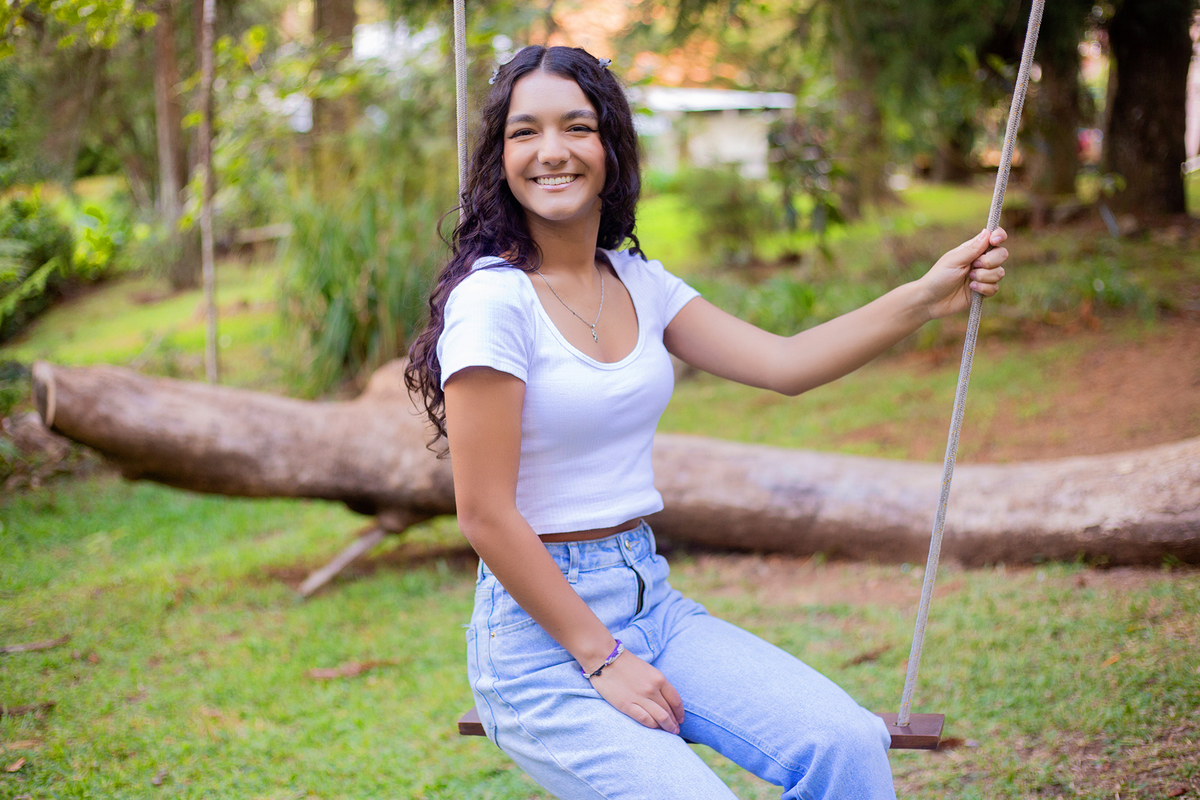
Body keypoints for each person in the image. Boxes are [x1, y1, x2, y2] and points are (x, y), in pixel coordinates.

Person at [405, 45, 1008, 800]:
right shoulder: (494, 302)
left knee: (847, 743)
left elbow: (786, 364)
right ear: (501, 157)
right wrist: (601, 657)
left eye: (576, 127)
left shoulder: (639, 284)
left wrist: (926, 295)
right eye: (524, 132)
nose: (551, 151)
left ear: (611, 147)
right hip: (537, 646)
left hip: (649, 601)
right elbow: (485, 514)